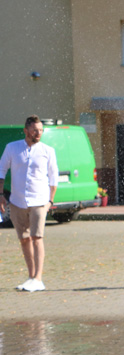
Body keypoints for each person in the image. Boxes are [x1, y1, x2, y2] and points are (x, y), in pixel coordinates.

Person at [0, 115, 58, 292]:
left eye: (40, 130)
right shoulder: (12, 148)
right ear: (26, 131)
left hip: (39, 201)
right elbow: (1, 170)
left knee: (37, 237)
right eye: (34, 130)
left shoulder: (48, 150)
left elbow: (54, 177)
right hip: (17, 201)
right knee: (24, 239)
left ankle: (38, 279)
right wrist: (1, 194)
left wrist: (50, 200)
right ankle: (31, 276)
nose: (38, 133)